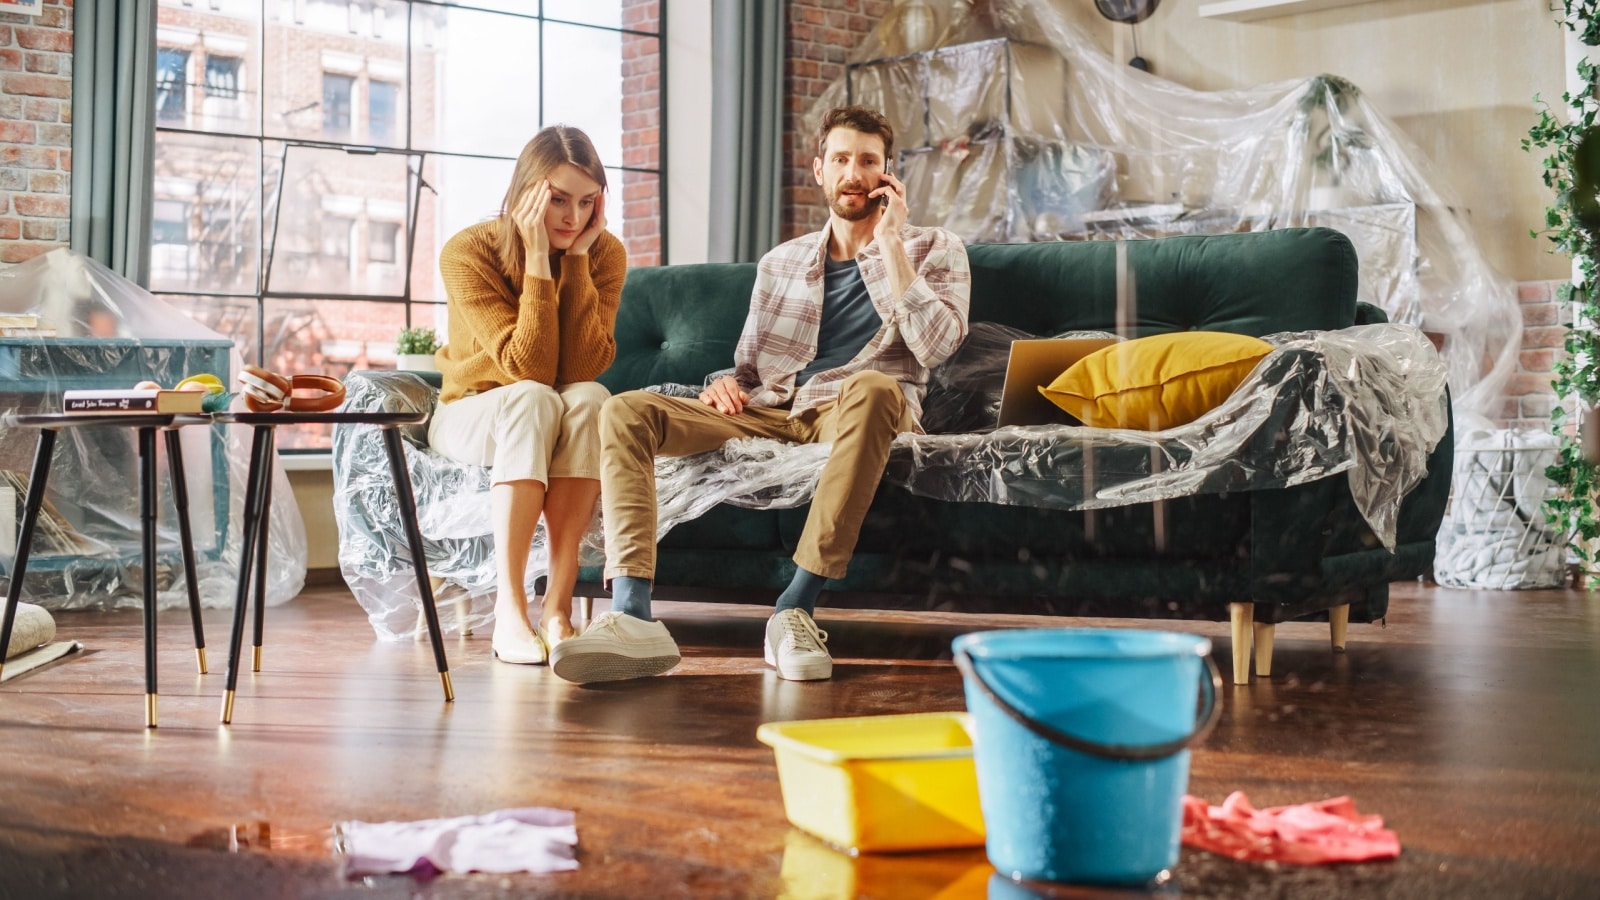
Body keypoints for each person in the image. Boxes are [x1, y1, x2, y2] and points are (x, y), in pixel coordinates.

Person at [550, 106, 971, 684]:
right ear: (819, 171)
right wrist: (724, 382)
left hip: (857, 409)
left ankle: (794, 609)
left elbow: (936, 347)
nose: (854, 172)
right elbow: (750, 369)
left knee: (874, 387)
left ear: (888, 176)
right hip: (772, 411)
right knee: (625, 409)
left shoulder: (935, 248)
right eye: (841, 159)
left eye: (868, 161)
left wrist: (891, 244)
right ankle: (632, 613)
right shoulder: (781, 262)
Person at [428, 125, 622, 666]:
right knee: (533, 397)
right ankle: (511, 612)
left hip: (550, 408)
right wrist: (539, 263)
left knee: (589, 398)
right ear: (524, 193)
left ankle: (557, 609)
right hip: (471, 411)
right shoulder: (468, 251)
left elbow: (581, 366)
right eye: (557, 199)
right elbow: (528, 368)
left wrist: (578, 262)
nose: (571, 218)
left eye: (586, 203)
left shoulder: (604, 254)